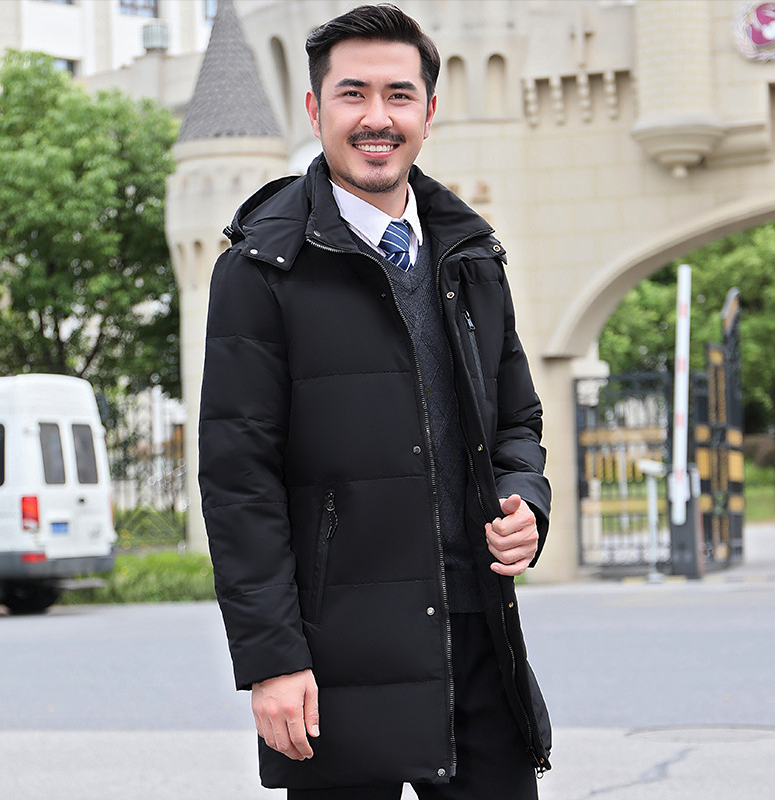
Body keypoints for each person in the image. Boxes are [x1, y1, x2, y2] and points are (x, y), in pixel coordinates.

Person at [199, 4, 552, 798]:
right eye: (352, 93)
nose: (376, 117)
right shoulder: (261, 271)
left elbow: (516, 424)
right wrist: (272, 659)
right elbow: (238, 481)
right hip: (337, 658)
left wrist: (524, 496)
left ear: (429, 110)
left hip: (478, 641)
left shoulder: (472, 256)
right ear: (314, 108)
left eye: (398, 95)